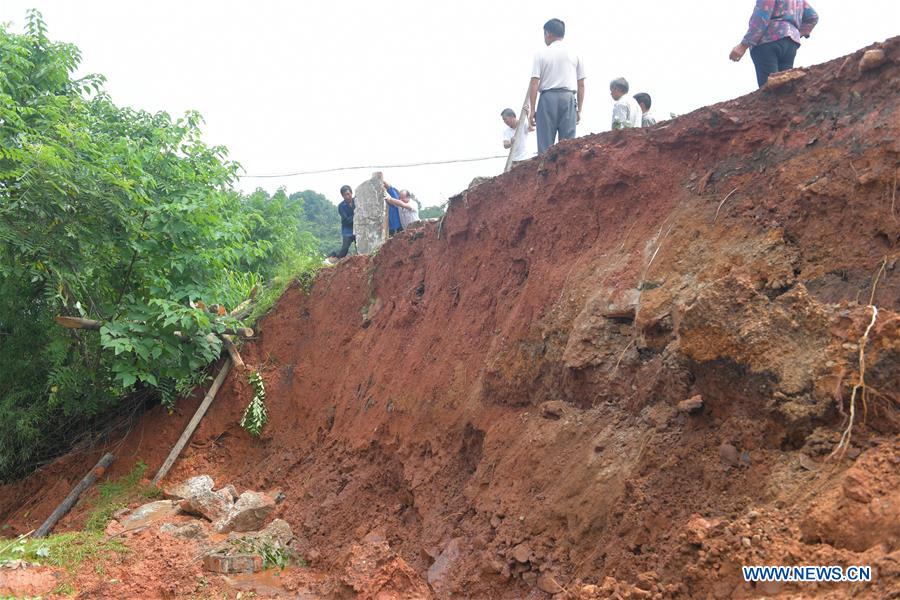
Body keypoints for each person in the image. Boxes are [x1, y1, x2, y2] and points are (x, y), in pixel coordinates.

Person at [528, 18, 585, 154]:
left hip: (547, 99)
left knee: (545, 146)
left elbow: (534, 82)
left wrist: (532, 110)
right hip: (568, 98)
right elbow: (581, 85)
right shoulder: (575, 53)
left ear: (548, 33)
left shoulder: (541, 54)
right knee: (568, 147)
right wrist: (579, 110)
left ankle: (545, 173)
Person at [729, 0, 819, 88]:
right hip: (790, 44)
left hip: (768, 42)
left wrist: (743, 45)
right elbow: (813, 16)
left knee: (769, 87)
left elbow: (761, 18)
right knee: (785, 86)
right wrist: (796, 33)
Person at [328, 184, 355, 259]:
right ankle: (334, 256)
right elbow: (346, 220)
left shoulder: (357, 201)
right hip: (347, 229)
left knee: (360, 248)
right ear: (342, 196)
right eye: (344, 195)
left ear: (351, 193)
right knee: (344, 249)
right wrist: (356, 215)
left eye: (348, 194)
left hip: (358, 228)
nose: (347, 196)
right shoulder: (341, 206)